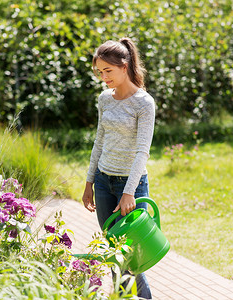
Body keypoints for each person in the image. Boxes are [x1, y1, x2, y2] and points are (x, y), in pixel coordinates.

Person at [82, 37, 155, 299]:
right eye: (99, 72)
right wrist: (89, 182)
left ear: (124, 67)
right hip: (103, 182)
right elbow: (99, 140)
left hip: (131, 186)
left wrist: (129, 192)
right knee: (115, 252)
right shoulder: (105, 99)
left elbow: (142, 151)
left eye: (108, 71)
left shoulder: (144, 103)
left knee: (132, 255)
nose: (103, 77)